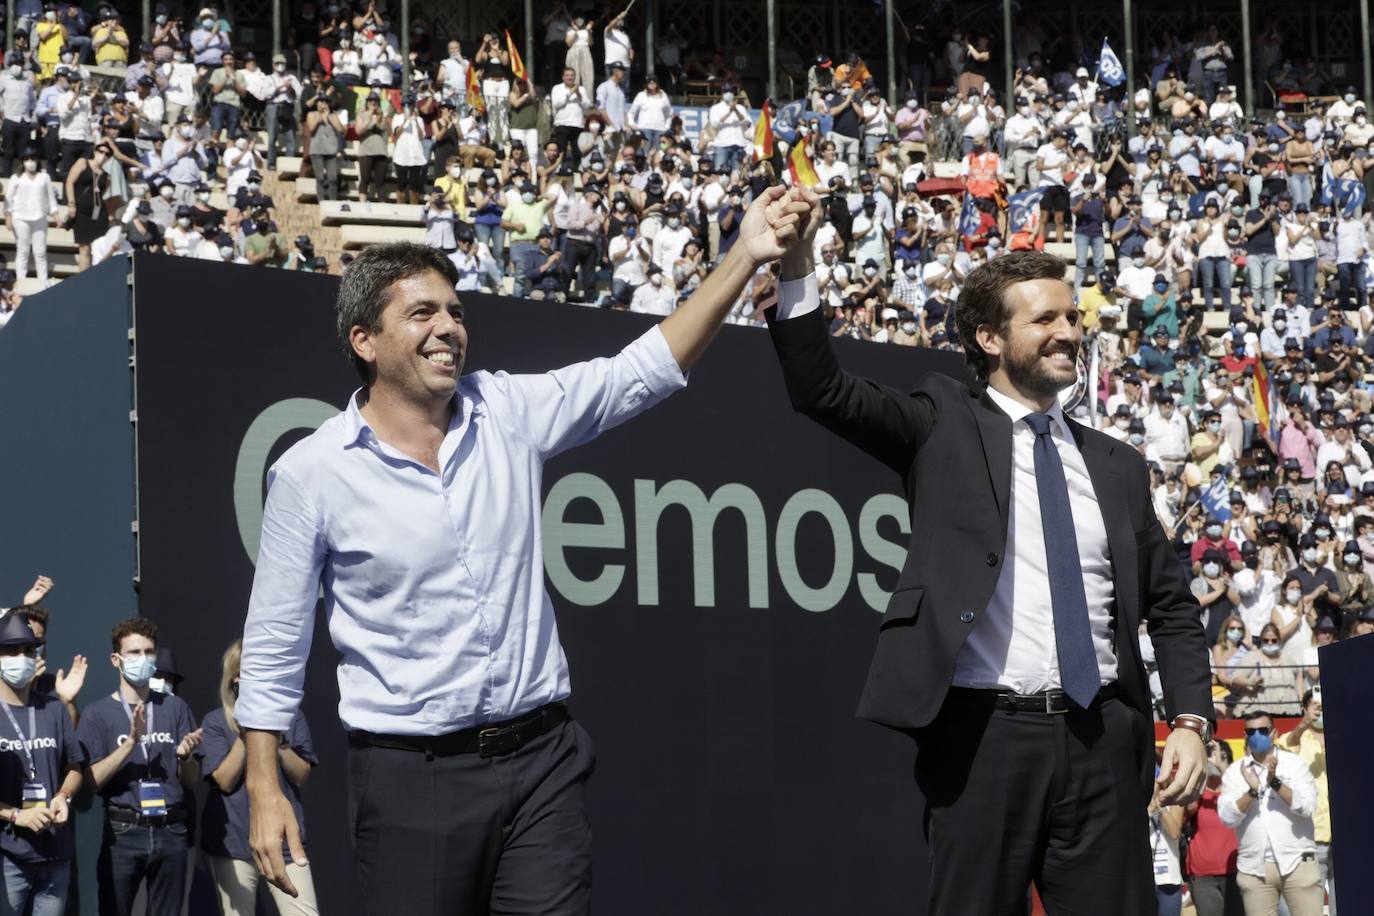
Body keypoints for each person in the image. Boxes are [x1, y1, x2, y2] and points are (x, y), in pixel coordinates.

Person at [236, 189, 812, 914]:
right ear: (364, 341)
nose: (449, 328)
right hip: (413, 782)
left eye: (455, 311)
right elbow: (274, 642)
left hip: (543, 765)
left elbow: (639, 372)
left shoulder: (505, 410)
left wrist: (744, 255)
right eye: (422, 313)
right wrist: (265, 788)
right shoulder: (312, 472)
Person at [762, 201, 1212, 915]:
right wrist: (795, 275)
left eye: (1072, 317)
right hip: (982, 740)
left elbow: (1173, 608)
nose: (1069, 332)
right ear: (989, 338)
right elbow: (823, 390)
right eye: (1046, 320)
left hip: (1104, 741)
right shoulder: (942, 422)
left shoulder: (1118, 466)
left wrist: (1189, 722)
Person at [76, 617, 203, 916]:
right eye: (134, 653)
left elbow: (190, 781)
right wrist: (130, 743)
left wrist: (185, 757)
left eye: (149, 652)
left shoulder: (174, 707)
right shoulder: (97, 714)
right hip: (123, 831)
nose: (143, 659)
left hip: (171, 829)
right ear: (115, 659)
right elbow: (90, 782)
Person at [200, 640, 318, 915]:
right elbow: (224, 780)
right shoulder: (216, 722)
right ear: (233, 680)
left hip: (284, 842)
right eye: (244, 674)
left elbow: (301, 774)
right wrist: (247, 733)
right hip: (233, 846)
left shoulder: (293, 717)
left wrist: (272, 736)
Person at [0, 609, 84, 916]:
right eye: (10, 650)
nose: (20, 657)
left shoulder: (54, 708)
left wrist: (64, 795)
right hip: (8, 856)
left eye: (27, 650)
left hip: (54, 855)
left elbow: (74, 767)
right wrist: (13, 815)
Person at [1218, 710, 1322, 916]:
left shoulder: (1294, 764)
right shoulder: (1235, 772)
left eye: (1263, 730)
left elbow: (1307, 807)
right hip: (1254, 867)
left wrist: (1275, 782)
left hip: (1297, 860)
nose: (1257, 735)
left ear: (1273, 732)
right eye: (1251, 731)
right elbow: (1227, 818)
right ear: (1244, 735)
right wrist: (1251, 791)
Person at [1276, 689, 1333, 912]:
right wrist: (1304, 722)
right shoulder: (1298, 737)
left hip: (1346, 834)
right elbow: (1287, 745)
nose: (1320, 710)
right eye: (1315, 706)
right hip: (1313, 834)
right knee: (1311, 905)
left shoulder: (1344, 731)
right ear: (1304, 708)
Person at [1185, 740, 1244, 916]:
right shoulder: (1199, 790)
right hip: (1203, 876)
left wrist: (1222, 766)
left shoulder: (1236, 788)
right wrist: (1202, 766)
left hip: (1236, 870)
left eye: (1218, 754)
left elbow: (1247, 798)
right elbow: (1189, 808)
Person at [5, 148, 58, 287]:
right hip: (20, 217)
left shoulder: (44, 177)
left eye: (33, 159)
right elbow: (8, 199)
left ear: (38, 160)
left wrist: (56, 214)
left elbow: (51, 198)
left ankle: (43, 283)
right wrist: (8, 216)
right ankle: (21, 282)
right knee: (23, 250)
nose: (30, 162)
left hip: (40, 217)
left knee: (40, 252)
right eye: (27, 159)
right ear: (22, 161)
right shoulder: (16, 177)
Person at [64, 142, 111, 270]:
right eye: (101, 151)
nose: (103, 155)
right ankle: (84, 280)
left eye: (107, 154)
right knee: (84, 248)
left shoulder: (106, 175)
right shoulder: (83, 162)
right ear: (95, 151)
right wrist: (71, 204)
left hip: (99, 213)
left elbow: (103, 193)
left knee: (98, 247)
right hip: (82, 212)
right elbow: (70, 182)